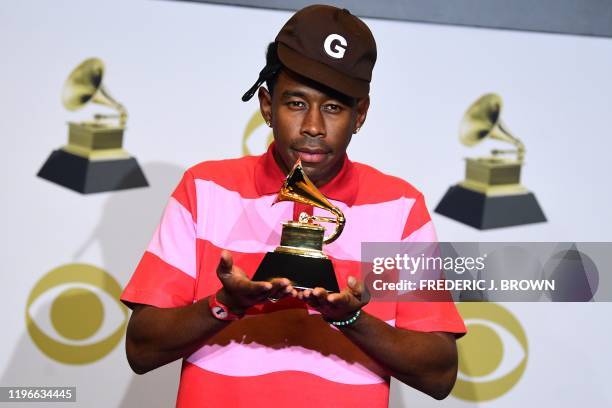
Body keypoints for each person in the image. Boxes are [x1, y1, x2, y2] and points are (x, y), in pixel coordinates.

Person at [121, 5, 466, 407]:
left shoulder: (401, 207)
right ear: (267, 106)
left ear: (361, 115)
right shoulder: (204, 188)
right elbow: (141, 349)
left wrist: (350, 319)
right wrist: (225, 304)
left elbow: (440, 374)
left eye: (334, 107)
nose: (313, 127)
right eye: (296, 103)